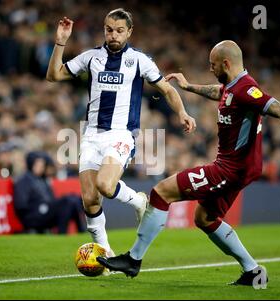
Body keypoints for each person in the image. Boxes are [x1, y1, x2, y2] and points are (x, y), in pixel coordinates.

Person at [97, 40, 280, 286]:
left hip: (230, 169)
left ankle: (133, 259)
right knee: (204, 217)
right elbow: (220, 93)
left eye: (213, 64)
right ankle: (253, 271)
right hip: (239, 168)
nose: (210, 69)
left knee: (161, 192)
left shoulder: (247, 90)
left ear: (226, 63)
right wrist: (189, 87)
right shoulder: (232, 87)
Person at [46, 9, 196, 256]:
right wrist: (61, 41)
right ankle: (104, 253)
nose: (113, 35)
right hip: (91, 135)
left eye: (119, 30)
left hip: (121, 134)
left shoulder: (139, 60)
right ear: (104, 29)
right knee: (90, 200)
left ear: (129, 32)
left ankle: (138, 201)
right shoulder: (91, 57)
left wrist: (182, 113)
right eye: (109, 29)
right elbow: (54, 75)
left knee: (105, 185)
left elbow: (167, 90)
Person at [13, 151, 86, 234]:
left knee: (72, 199)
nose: (41, 168)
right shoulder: (23, 181)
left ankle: (81, 230)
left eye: (42, 165)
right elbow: (21, 205)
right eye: (38, 165)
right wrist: (40, 206)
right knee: (66, 202)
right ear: (31, 164)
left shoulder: (42, 179)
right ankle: (63, 233)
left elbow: (51, 199)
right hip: (33, 216)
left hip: (45, 211)